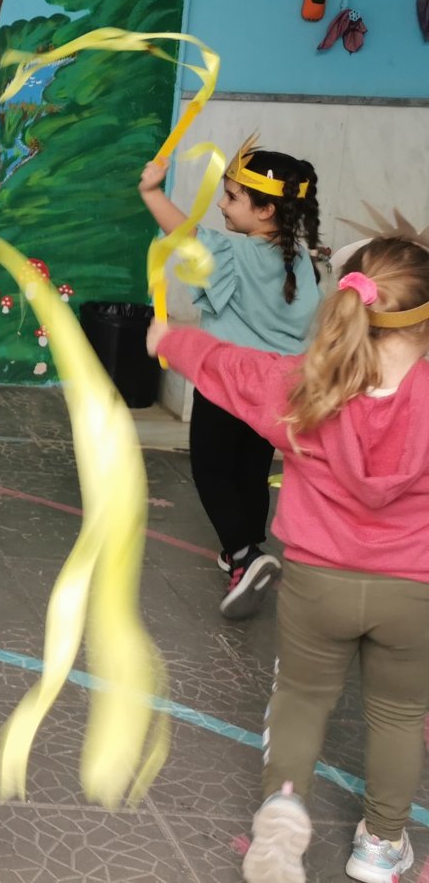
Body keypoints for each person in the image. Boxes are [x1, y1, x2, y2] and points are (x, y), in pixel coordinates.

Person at [150, 236, 429, 883]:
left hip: (317, 582)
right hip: (413, 591)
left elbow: (232, 367)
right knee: (397, 715)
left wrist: (170, 340)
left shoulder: (307, 385)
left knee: (301, 698)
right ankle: (380, 846)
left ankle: (281, 813)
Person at [139, 138, 321, 616]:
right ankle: (243, 548)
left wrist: (151, 192)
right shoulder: (302, 260)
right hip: (279, 388)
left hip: (227, 382)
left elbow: (184, 233)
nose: (221, 204)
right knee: (251, 471)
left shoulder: (235, 254)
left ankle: (244, 555)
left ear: (265, 210)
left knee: (211, 469)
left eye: (232, 197)